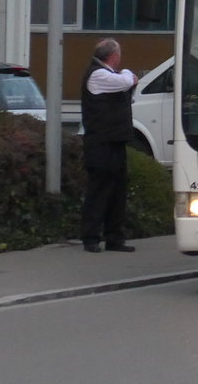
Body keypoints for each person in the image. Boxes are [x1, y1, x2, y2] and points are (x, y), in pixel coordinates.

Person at [80, 38, 138, 253]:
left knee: (117, 192)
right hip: (100, 144)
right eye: (119, 55)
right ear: (113, 56)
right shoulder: (98, 75)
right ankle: (91, 238)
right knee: (99, 191)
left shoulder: (109, 76)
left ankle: (115, 238)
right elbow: (127, 80)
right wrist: (129, 75)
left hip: (115, 142)